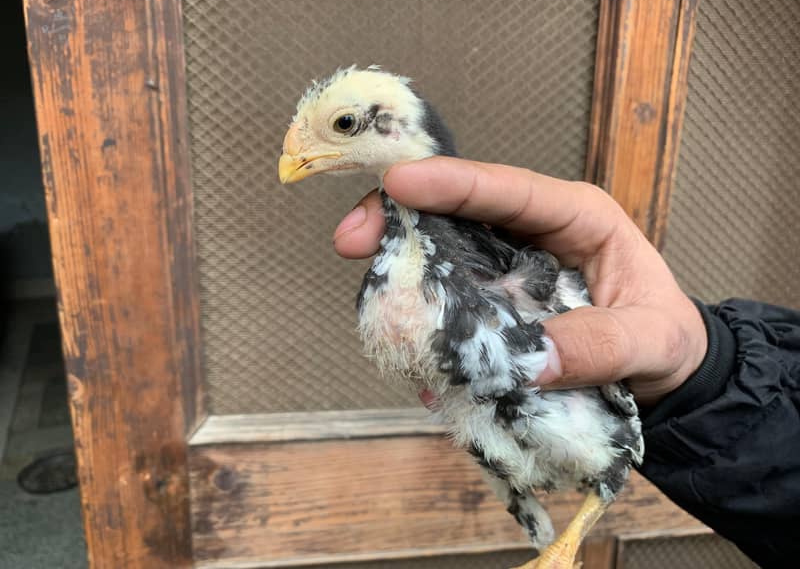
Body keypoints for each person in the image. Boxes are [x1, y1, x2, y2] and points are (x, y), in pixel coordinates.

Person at [332, 157, 800, 568]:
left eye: (345, 127)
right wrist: (706, 372)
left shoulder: (531, 282)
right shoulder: (416, 268)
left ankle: (564, 543)